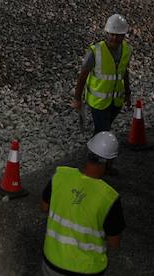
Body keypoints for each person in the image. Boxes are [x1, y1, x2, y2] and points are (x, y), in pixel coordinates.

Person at [40, 131, 125, 275]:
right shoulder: (109, 198)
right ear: (109, 162)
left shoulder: (60, 176)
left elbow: (44, 207)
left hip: (51, 263)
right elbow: (114, 242)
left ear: (88, 153)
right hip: (86, 270)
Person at [73, 14, 132, 134]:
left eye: (118, 35)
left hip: (116, 101)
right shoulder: (95, 51)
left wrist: (127, 93)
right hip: (98, 102)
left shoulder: (127, 50)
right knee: (103, 130)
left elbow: (124, 71)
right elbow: (82, 76)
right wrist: (77, 99)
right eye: (112, 34)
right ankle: (96, 150)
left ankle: (97, 146)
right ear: (107, 33)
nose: (114, 38)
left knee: (104, 127)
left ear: (124, 35)